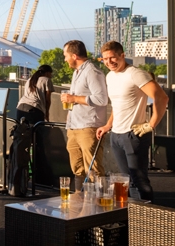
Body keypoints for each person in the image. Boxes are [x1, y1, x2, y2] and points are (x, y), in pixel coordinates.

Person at [96, 41, 167, 201]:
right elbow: (118, 105)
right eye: (105, 59)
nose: (109, 62)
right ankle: (129, 214)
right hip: (116, 135)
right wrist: (108, 125)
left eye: (112, 58)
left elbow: (162, 97)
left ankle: (146, 214)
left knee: (139, 181)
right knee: (125, 181)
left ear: (122, 55)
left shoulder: (135, 74)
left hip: (133, 135)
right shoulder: (110, 76)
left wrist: (151, 124)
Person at [60, 40, 109, 184]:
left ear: (74, 56)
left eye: (65, 56)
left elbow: (102, 99)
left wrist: (74, 98)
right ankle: (79, 196)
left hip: (89, 127)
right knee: (77, 167)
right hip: (74, 126)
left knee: (93, 169)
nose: (65, 59)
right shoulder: (77, 72)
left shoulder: (92, 71)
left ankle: (97, 197)